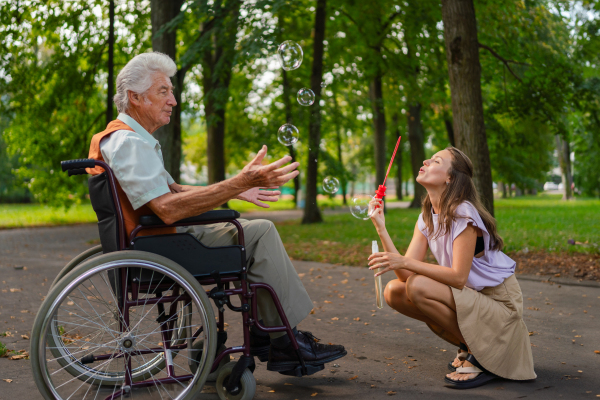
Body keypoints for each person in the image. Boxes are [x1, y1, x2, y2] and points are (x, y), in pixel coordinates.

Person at [86, 51, 346, 373]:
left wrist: (239, 188)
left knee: (252, 231)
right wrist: (238, 183)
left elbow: (175, 192)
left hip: (152, 243)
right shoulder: (130, 143)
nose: (174, 101)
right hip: (161, 247)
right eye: (163, 91)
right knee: (259, 232)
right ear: (135, 97)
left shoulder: (124, 140)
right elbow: (168, 210)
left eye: (171, 91)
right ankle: (282, 340)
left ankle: (268, 333)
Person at [367, 147, 536, 389]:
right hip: (472, 297)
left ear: (450, 178)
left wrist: (404, 261)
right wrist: (381, 228)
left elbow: (457, 277)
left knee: (418, 285)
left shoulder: (463, 212)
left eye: (435, 160)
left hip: (499, 304)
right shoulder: (427, 215)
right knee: (394, 291)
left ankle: (482, 355)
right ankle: (469, 346)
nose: (425, 160)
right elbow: (403, 275)